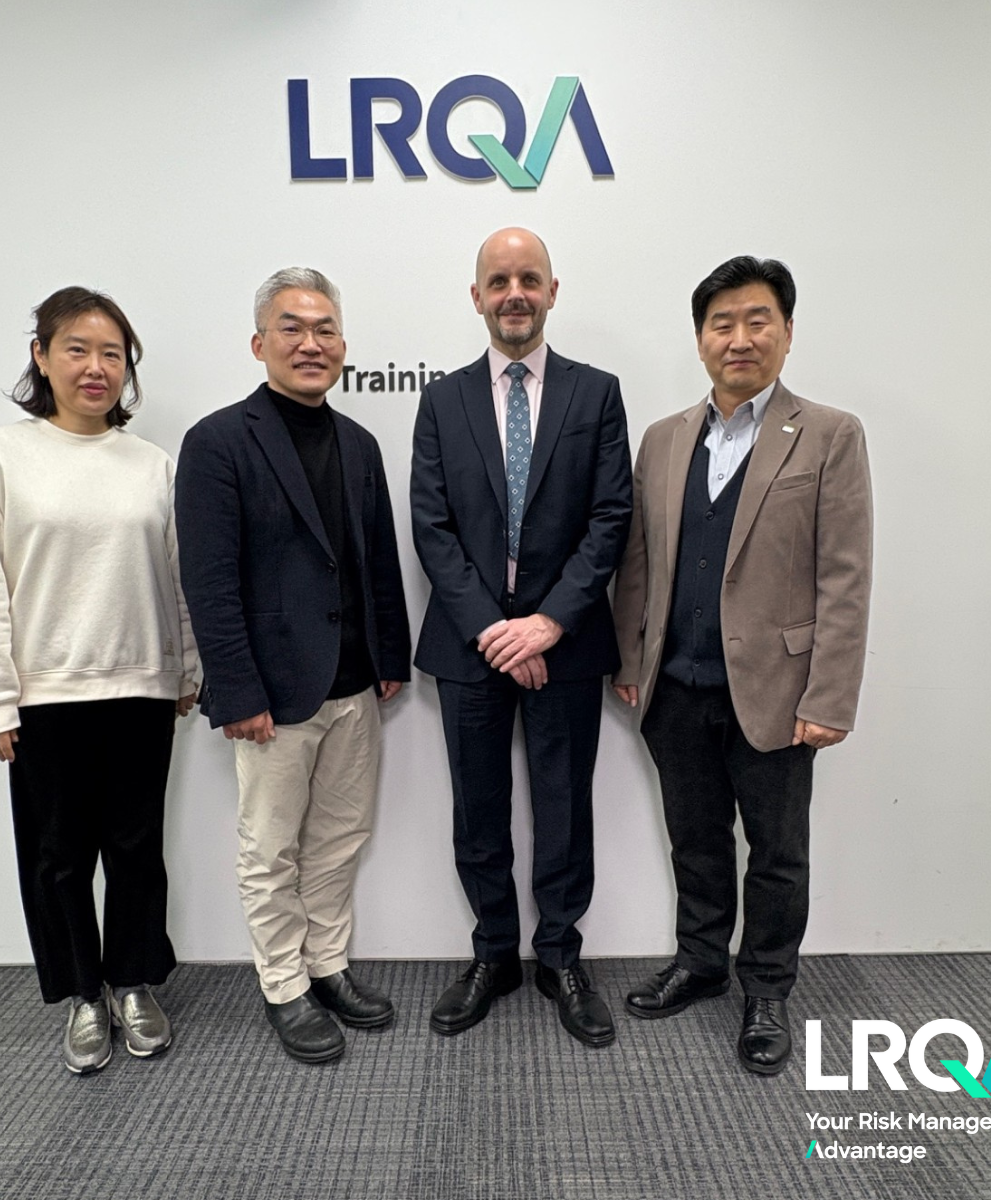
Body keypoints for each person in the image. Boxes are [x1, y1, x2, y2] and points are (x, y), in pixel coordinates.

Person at [611, 256, 873, 1074]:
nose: (740, 338)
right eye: (722, 323)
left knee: (777, 853)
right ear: (700, 340)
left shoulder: (830, 434)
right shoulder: (663, 440)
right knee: (694, 840)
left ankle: (766, 988)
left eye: (758, 320)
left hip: (779, 693)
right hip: (673, 685)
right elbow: (638, 562)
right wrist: (631, 659)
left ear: (787, 332)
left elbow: (845, 576)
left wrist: (829, 695)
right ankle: (700, 961)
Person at [0, 287, 198, 1075]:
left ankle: (132, 982)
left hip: (141, 687)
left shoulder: (151, 465)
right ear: (41, 356)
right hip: (45, 694)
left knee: (136, 849)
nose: (96, 368)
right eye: (77, 350)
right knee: (57, 857)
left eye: (112, 355)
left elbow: (178, 578)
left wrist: (187, 668)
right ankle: (83, 995)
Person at [175, 268, 409, 1065]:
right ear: (259, 343)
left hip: (355, 686)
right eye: (292, 328)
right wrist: (237, 689)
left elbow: (378, 561)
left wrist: (390, 655)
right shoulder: (217, 442)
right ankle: (283, 985)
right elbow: (208, 582)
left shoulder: (359, 443)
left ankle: (327, 966)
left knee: (340, 838)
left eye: (325, 329)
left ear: (343, 344)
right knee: (270, 849)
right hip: (272, 696)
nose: (311, 343)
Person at [411, 227, 632, 1048]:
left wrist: (547, 623)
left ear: (552, 291)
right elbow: (432, 528)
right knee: (479, 811)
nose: (515, 293)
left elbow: (611, 518)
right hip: (470, 645)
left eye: (529, 278)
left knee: (564, 808)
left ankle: (561, 958)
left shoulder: (596, 394)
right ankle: (493, 954)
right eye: (499, 280)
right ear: (477, 296)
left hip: (565, 642)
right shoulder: (441, 401)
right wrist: (495, 629)